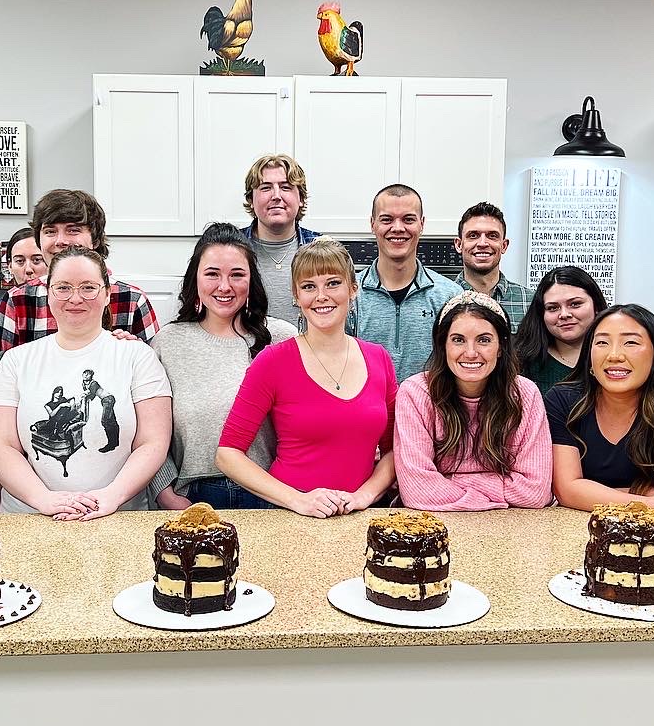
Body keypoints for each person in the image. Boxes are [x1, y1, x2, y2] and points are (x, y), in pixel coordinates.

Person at [0, 246, 171, 518]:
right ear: (48, 293)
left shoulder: (137, 356)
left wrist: (111, 496)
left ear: (107, 294)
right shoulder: (16, 361)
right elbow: (1, 446)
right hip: (31, 518)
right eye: (63, 288)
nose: (75, 298)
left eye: (88, 288)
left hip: (118, 515)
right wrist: (44, 500)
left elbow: (153, 442)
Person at [217, 238, 397, 517]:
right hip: (290, 515)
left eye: (333, 283)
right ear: (296, 296)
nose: (321, 296)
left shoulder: (379, 359)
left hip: (362, 516)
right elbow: (228, 454)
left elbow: (393, 450)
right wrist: (298, 500)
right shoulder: (272, 361)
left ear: (353, 289)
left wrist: (364, 496)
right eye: (309, 286)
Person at [151, 223, 296, 511]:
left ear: (252, 281)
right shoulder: (167, 342)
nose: (224, 286)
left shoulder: (283, 339)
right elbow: (148, 430)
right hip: (194, 496)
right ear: (195, 278)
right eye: (212, 274)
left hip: (272, 493)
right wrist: (164, 493)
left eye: (237, 275)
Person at [394, 291, 552, 511]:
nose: (470, 353)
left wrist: (448, 480)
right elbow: (416, 490)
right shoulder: (416, 393)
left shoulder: (525, 394)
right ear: (443, 346)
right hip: (434, 524)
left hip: (511, 527)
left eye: (484, 340)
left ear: (501, 348)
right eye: (458, 340)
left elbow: (535, 493)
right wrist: (492, 495)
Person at [546, 304, 654, 517]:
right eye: (602, 342)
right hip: (571, 526)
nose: (614, 355)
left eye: (630, 342)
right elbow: (566, 490)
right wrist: (649, 501)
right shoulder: (564, 400)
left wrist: (590, 491)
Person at [0, 189, 159, 366]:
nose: (60, 241)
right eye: (50, 231)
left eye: (73, 230)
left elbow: (152, 374)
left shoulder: (132, 301)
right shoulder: (17, 300)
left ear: (96, 238)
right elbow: (2, 373)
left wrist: (137, 352)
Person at [348, 183, 459, 383]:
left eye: (408, 219)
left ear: (422, 224)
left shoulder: (449, 296)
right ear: (372, 224)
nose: (398, 228)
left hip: (430, 412)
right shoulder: (349, 294)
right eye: (387, 219)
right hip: (368, 413)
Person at [239, 153, 321, 324]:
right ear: (251, 200)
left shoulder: (322, 249)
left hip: (307, 350)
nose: (276, 196)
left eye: (285, 187)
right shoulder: (230, 248)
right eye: (265, 188)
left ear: (301, 199)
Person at [514, 265, 608, 395]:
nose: (564, 314)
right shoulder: (521, 363)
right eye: (553, 308)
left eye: (575, 304)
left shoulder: (614, 358)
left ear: (596, 306)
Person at [452, 201, 532, 331]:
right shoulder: (442, 298)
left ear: (504, 246)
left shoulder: (529, 301)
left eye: (492, 236)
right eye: (473, 235)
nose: (483, 243)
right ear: (459, 245)